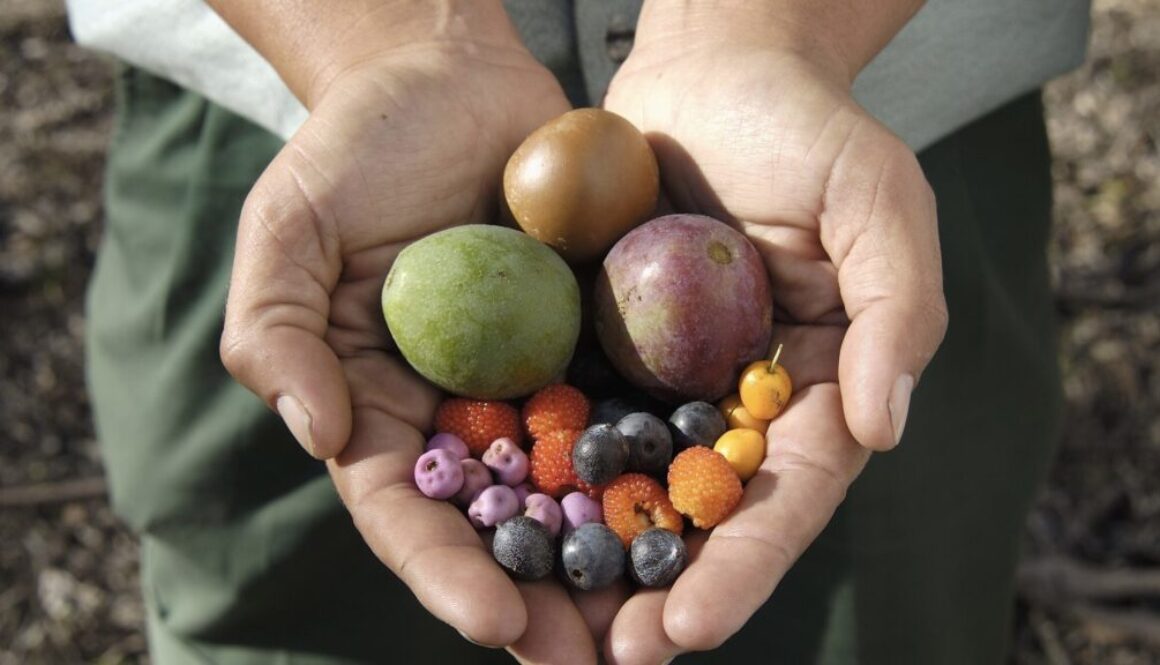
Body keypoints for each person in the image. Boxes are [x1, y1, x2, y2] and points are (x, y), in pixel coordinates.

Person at [70, 0, 1091, 662]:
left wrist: (764, 34)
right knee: (284, 614)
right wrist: (387, 38)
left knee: (881, 625)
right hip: (283, 102)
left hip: (871, 118)